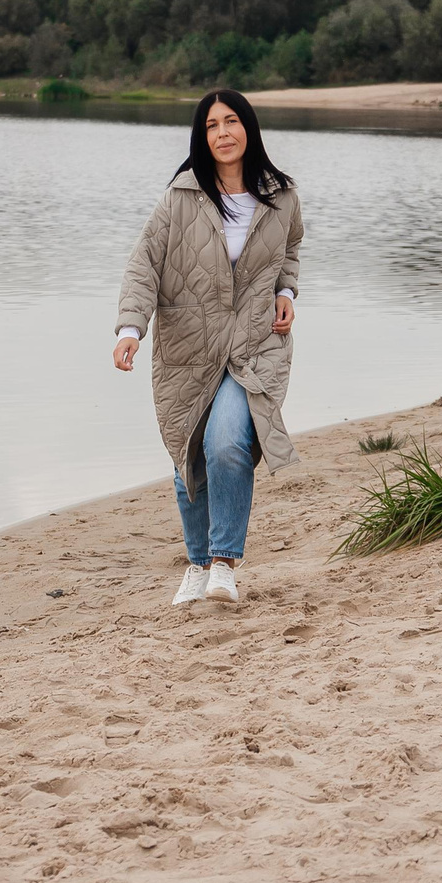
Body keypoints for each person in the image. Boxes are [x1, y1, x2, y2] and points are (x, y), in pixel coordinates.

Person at [114, 90, 304, 607]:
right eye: (211, 125)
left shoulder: (281, 195)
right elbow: (144, 265)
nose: (222, 133)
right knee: (188, 456)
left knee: (226, 444)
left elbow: (290, 248)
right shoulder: (181, 196)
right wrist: (130, 328)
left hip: (254, 345)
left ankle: (223, 563)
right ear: (201, 137)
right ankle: (196, 566)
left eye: (232, 121)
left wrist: (285, 292)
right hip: (187, 347)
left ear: (249, 128)